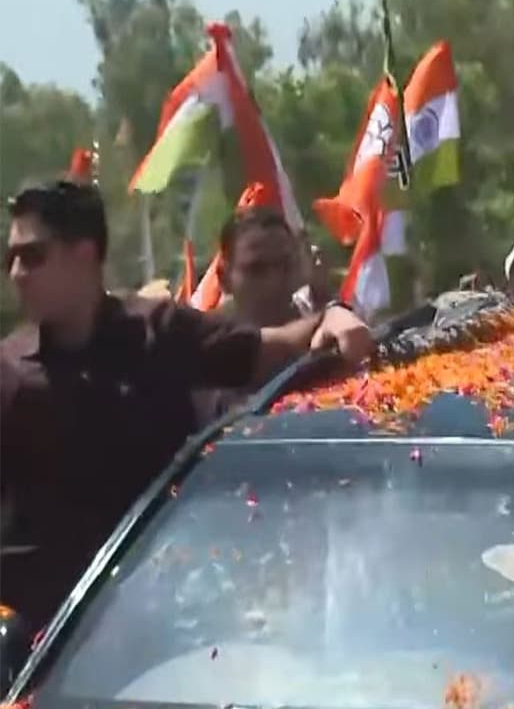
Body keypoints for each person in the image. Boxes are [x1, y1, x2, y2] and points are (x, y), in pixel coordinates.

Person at [0, 180, 373, 629]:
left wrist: (334, 314)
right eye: (11, 258)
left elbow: (272, 350)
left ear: (84, 254)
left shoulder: (158, 332)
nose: (17, 273)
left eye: (32, 256)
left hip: (164, 624)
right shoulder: (9, 370)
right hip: (43, 641)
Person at [216, 206, 314, 328]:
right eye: (256, 270)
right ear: (224, 279)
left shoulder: (329, 331)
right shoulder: (206, 338)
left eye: (285, 266)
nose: (274, 282)